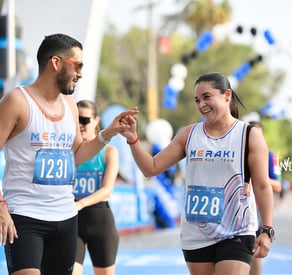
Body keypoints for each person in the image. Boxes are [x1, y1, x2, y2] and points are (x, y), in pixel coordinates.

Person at [0, 33, 137, 275]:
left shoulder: (70, 105)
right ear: (56, 62)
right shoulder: (17, 102)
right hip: (24, 217)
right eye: (77, 65)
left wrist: (108, 132)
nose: (81, 73)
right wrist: (1, 207)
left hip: (65, 218)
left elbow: (76, 156)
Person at [121, 72, 275, 275]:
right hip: (197, 233)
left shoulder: (249, 135)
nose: (202, 104)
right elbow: (151, 168)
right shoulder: (189, 134)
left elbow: (263, 186)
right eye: (197, 100)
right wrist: (133, 139)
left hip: (236, 230)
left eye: (207, 97)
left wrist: (267, 230)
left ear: (227, 95)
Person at [72, 100, 119, 275]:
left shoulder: (108, 152)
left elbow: (107, 190)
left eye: (84, 120)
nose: (80, 125)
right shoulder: (68, 150)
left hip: (100, 221)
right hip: (72, 221)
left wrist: (81, 204)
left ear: (96, 120)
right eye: (76, 119)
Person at [248, 121, 281, 275]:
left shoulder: (270, 156)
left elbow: (278, 186)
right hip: (233, 209)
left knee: (254, 254)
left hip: (255, 210)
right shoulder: (237, 151)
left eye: (258, 134)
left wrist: (258, 178)